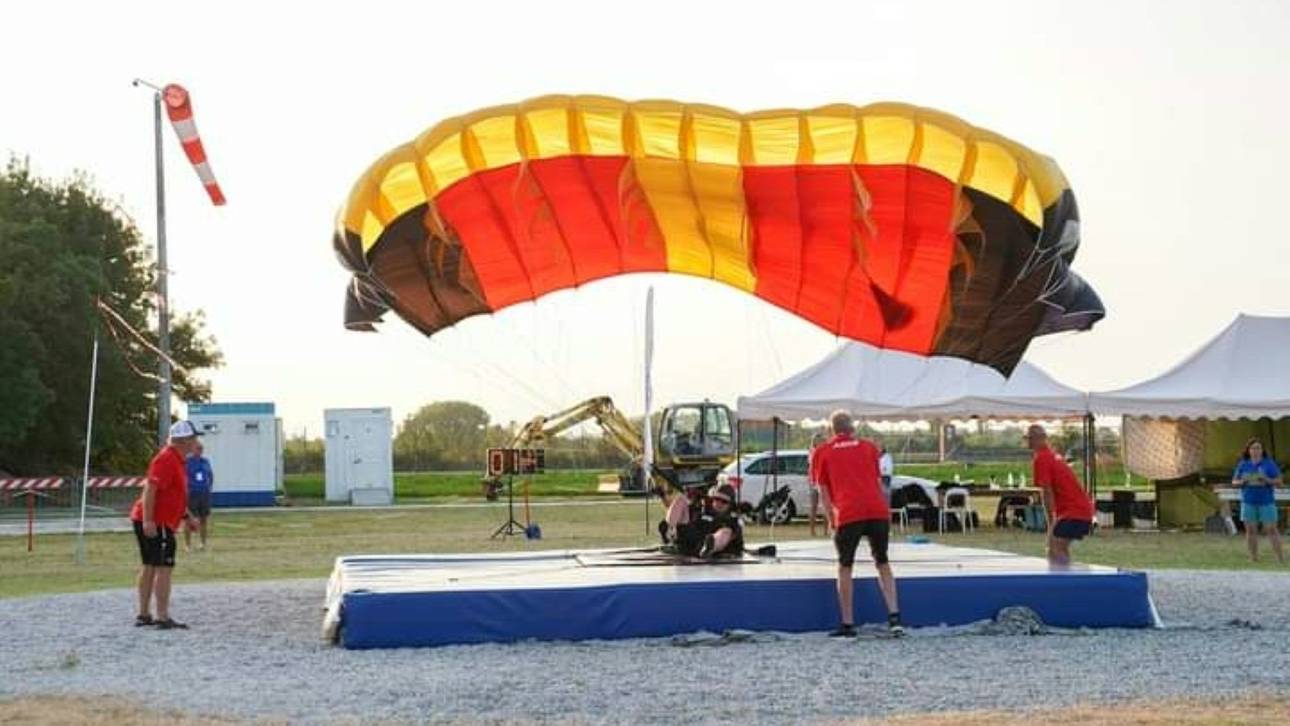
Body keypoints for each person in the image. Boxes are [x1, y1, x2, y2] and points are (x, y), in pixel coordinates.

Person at [814, 410, 903, 637]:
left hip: (848, 512)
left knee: (845, 566)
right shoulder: (869, 447)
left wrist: (831, 520)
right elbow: (876, 480)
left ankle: (847, 623)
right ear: (852, 428)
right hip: (876, 510)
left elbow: (823, 492)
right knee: (882, 562)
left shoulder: (822, 452)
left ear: (831, 429)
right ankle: (894, 617)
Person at [131, 420, 202, 630]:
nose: (196, 443)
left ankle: (144, 614)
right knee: (164, 567)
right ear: (183, 440)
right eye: (193, 439)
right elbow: (150, 490)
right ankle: (162, 616)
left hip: (158, 519)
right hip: (157, 521)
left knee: (151, 565)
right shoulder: (167, 459)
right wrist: (149, 520)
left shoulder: (177, 461)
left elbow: (173, 496)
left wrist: (187, 517)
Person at [1026, 424, 1094, 566]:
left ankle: (1069, 581)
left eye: (1030, 438)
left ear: (1040, 439)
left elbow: (1047, 492)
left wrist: (1051, 521)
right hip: (1081, 510)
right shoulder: (1053, 456)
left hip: (1074, 512)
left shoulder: (1042, 458)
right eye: (1027, 438)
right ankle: (1067, 577)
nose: (1028, 442)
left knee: (1054, 548)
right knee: (1058, 548)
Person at [1231, 437, 1284, 563]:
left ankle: (1280, 558)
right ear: (1248, 450)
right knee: (1250, 530)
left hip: (1266, 501)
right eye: (1253, 448)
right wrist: (1242, 481)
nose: (1256, 451)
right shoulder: (1243, 463)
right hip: (1248, 501)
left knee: (1271, 529)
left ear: (1262, 450)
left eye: (1258, 448)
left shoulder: (1268, 463)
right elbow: (1234, 482)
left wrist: (1267, 480)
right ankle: (1254, 558)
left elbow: (1280, 482)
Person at [660, 483, 744, 558]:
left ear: (730, 504)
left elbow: (733, 536)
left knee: (726, 531)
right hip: (691, 539)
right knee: (681, 499)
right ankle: (670, 531)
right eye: (717, 499)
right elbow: (675, 508)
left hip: (712, 543)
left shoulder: (731, 519)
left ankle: (710, 546)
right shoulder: (702, 508)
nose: (719, 503)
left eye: (724, 501)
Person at [184, 441, 214, 551]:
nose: (200, 450)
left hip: (204, 493)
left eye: (201, 448)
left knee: (204, 519)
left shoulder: (205, 461)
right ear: (192, 449)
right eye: (198, 448)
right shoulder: (187, 462)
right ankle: (188, 545)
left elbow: (210, 475)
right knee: (189, 520)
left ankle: (203, 543)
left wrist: (209, 488)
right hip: (192, 493)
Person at [807, 433, 829, 537]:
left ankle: (824, 530)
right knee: (816, 506)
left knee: (821, 506)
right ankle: (813, 530)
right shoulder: (814, 452)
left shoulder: (816, 451)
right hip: (816, 481)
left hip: (818, 480)